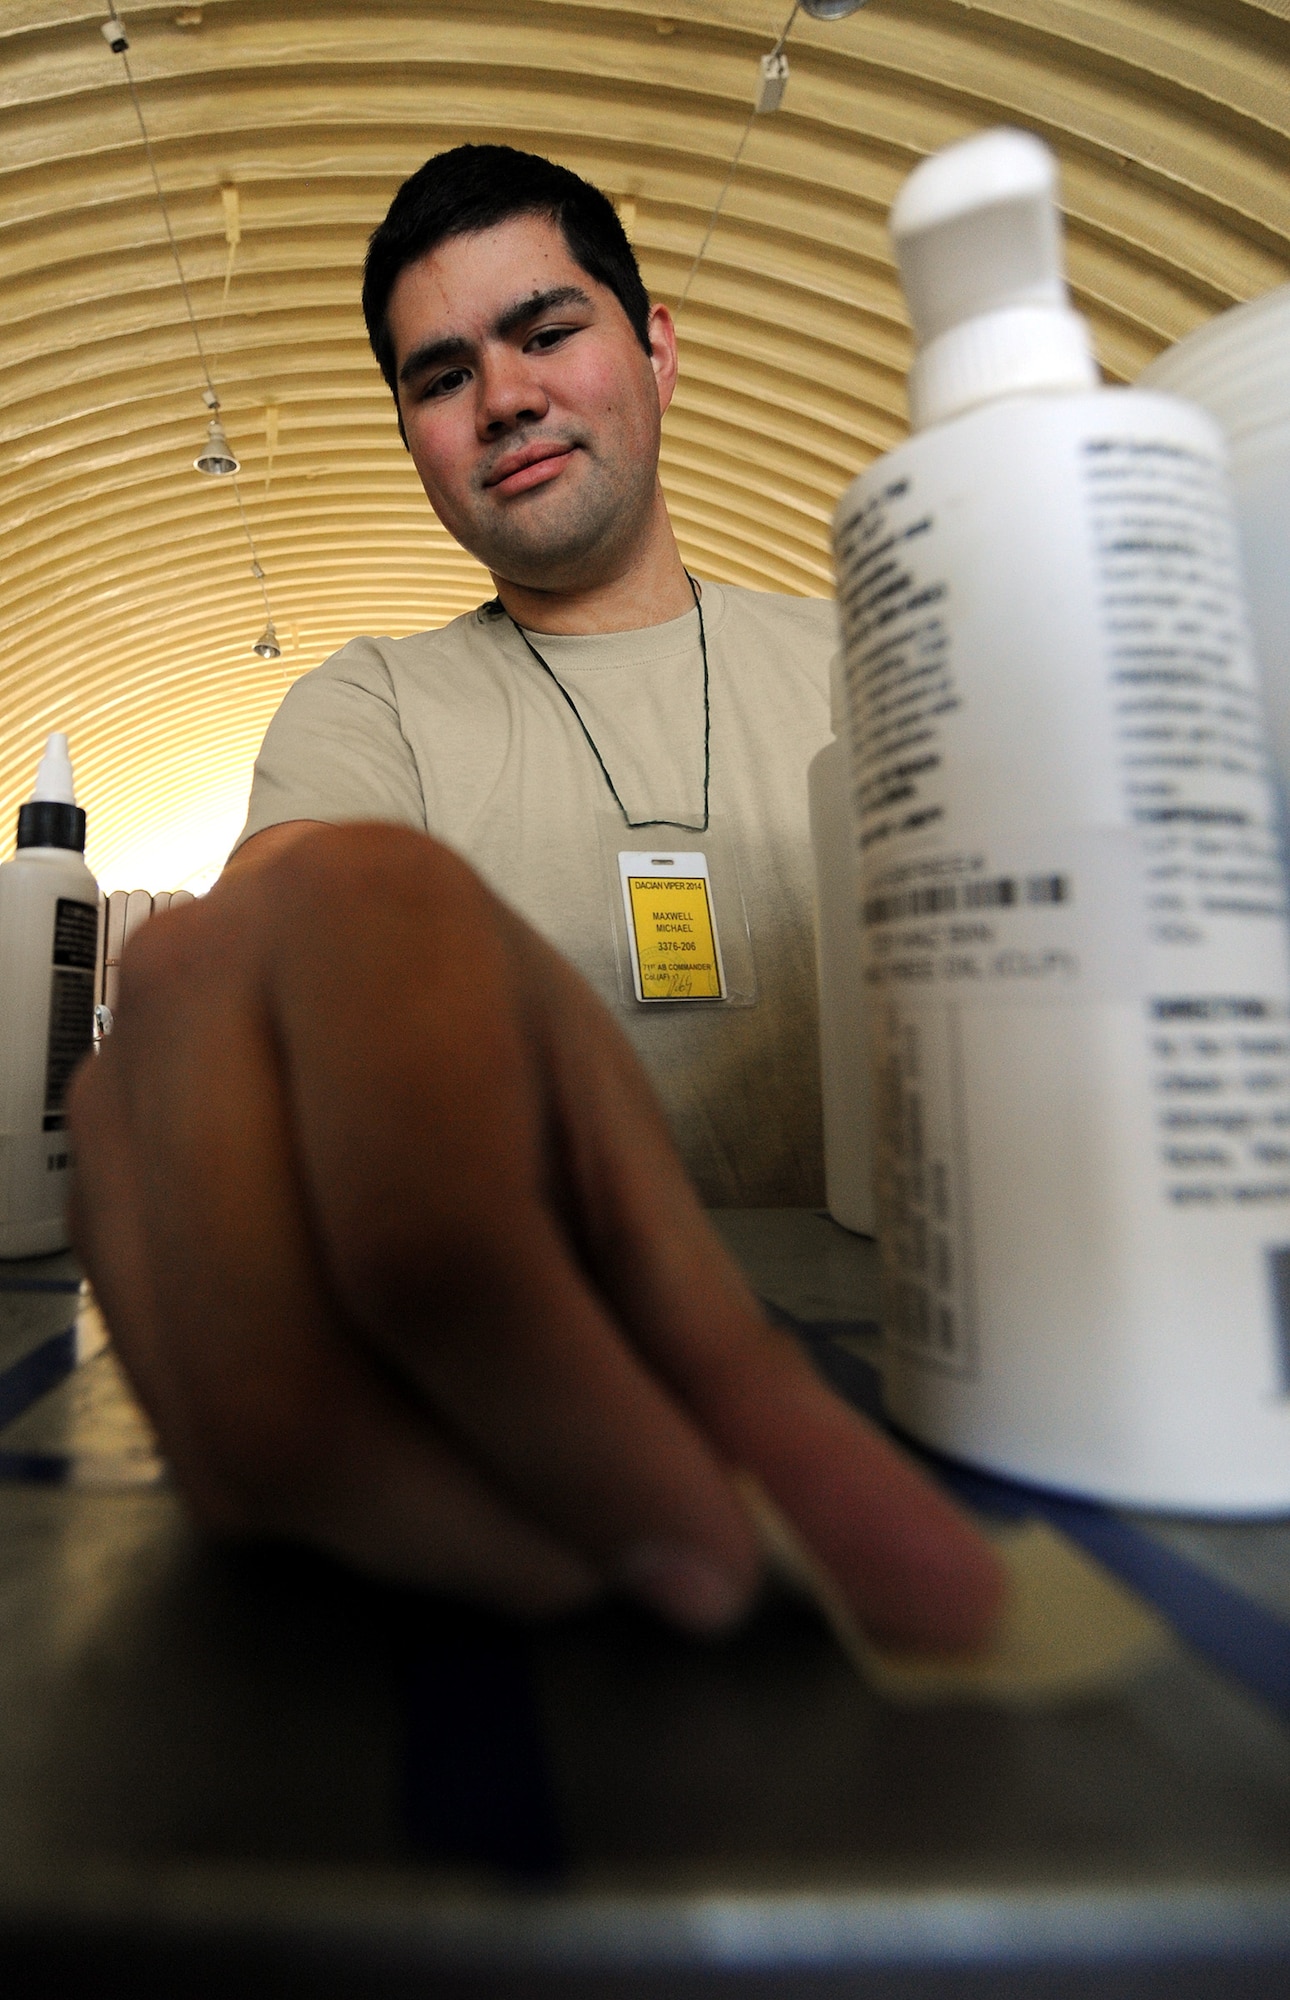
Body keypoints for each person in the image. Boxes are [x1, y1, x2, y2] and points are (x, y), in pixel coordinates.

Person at [68, 146, 1004, 1651]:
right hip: (527, 1413)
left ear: (656, 349)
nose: (500, 395)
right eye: (439, 375)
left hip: (946, 1375)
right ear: (413, 440)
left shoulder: (868, 656)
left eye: (546, 330)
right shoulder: (372, 706)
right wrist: (253, 977)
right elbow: (290, 902)